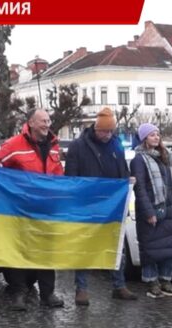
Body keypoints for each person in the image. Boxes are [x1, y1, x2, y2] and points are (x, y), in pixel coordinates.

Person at [0, 108, 64, 310]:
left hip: (46, 208)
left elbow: (58, 173)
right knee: (18, 251)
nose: (47, 124)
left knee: (46, 252)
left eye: (49, 120)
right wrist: (10, 191)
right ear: (30, 123)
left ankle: (48, 293)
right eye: (43, 121)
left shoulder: (55, 146)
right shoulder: (13, 145)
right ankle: (19, 293)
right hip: (20, 209)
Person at [65, 107, 137, 305]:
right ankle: (81, 288)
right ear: (96, 128)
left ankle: (119, 285)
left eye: (111, 131)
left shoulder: (116, 145)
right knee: (84, 247)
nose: (108, 135)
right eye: (104, 131)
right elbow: (71, 178)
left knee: (116, 245)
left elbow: (122, 169)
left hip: (112, 205)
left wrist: (127, 180)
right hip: (87, 206)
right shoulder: (78, 147)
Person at [131, 123, 172, 298]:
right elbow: (140, 189)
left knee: (170, 248)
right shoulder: (138, 159)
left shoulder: (163, 157)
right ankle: (152, 282)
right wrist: (149, 212)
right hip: (151, 210)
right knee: (151, 249)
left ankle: (166, 280)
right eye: (152, 135)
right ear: (144, 138)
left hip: (167, 209)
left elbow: (168, 185)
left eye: (158, 135)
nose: (156, 137)